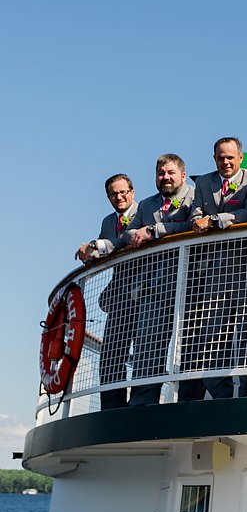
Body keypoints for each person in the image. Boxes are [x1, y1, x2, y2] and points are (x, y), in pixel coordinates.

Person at [178, 137, 247, 401]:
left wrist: (214, 220)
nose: (225, 162)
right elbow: (195, 215)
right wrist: (199, 220)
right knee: (213, 336)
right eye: (220, 158)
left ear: (240, 157)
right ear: (214, 159)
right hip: (216, 271)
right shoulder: (204, 182)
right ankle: (219, 392)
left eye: (230, 157)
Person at [122, 154, 195, 406]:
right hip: (154, 285)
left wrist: (156, 230)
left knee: (191, 345)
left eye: (170, 173)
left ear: (182, 175)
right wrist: (134, 234)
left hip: (191, 283)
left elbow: (191, 224)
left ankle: (189, 403)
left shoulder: (195, 196)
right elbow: (130, 231)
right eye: (161, 173)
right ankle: (143, 403)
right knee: (147, 346)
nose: (165, 178)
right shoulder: (146, 205)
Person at [77, 174, 139, 410]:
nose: (119, 197)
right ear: (108, 197)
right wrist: (89, 253)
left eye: (123, 192)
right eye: (114, 194)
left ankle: (139, 404)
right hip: (120, 294)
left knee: (145, 351)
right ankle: (112, 407)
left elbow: (124, 240)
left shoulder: (142, 212)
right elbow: (104, 248)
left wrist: (97, 244)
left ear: (132, 192)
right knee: (112, 355)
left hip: (145, 291)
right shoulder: (107, 222)